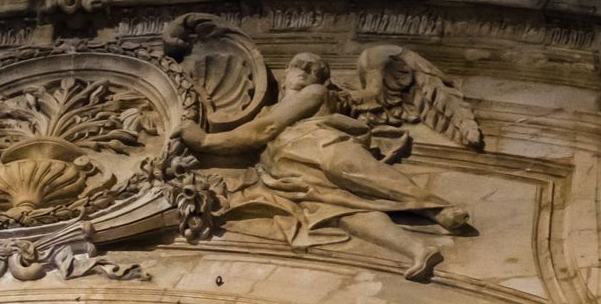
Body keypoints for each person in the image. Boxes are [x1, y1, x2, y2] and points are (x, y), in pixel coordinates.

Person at [181, 53, 472, 281]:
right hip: (288, 168)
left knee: (353, 171)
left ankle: (437, 208)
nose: (306, 71)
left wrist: (206, 140)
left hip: (320, 144)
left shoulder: (315, 94)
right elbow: (261, 129)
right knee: (342, 212)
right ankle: (417, 248)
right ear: (285, 75)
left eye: (314, 69)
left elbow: (264, 129)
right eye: (299, 65)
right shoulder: (270, 108)